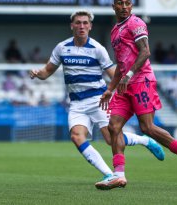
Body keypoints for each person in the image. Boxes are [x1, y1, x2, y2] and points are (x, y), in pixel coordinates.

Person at [29, 10, 165, 187]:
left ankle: (145, 140)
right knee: (77, 137)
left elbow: (113, 73)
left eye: (85, 23)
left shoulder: (97, 49)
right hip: (77, 103)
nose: (82, 26)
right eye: (78, 23)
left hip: (99, 100)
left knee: (111, 139)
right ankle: (109, 174)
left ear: (90, 26)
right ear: (72, 25)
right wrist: (37, 73)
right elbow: (47, 72)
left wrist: (124, 87)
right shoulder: (62, 48)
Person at [97, 0, 177, 190]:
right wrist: (110, 89)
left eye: (127, 3)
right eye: (120, 3)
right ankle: (118, 175)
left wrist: (128, 76)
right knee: (113, 127)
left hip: (141, 80)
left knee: (147, 127)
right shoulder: (114, 31)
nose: (124, 7)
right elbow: (120, 64)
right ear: (113, 7)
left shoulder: (135, 23)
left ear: (132, 6)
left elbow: (145, 52)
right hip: (124, 85)